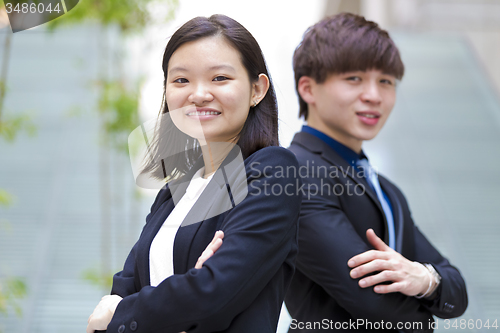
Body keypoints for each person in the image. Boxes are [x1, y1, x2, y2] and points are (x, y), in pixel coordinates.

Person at [86, 14, 301, 333]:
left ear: (257, 89)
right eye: (181, 80)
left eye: (219, 78)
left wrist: (128, 312)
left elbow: (214, 293)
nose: (198, 94)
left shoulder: (271, 171)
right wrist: (184, 294)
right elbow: (123, 288)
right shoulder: (174, 191)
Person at [284, 13, 468, 332]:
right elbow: (373, 301)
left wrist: (424, 279)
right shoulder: (294, 171)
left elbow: (457, 288)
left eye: (386, 81)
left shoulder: (386, 190)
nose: (374, 95)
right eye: (354, 78)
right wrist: (428, 306)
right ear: (308, 89)